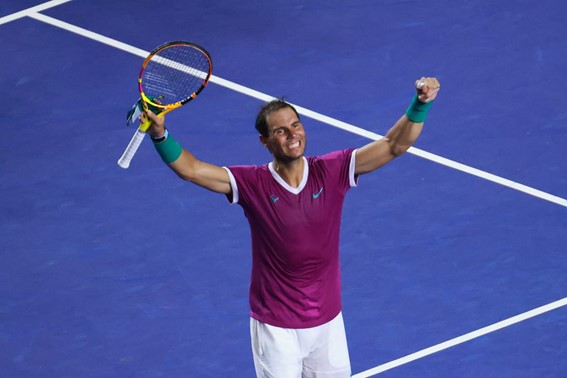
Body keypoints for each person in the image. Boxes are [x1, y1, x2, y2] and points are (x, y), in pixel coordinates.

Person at [143, 77, 441, 377]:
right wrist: (160, 135)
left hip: (327, 321)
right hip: (276, 326)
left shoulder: (332, 170)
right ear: (265, 141)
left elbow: (394, 145)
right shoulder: (251, 184)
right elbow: (191, 170)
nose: (292, 135)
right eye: (280, 131)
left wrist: (420, 104)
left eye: (295, 125)